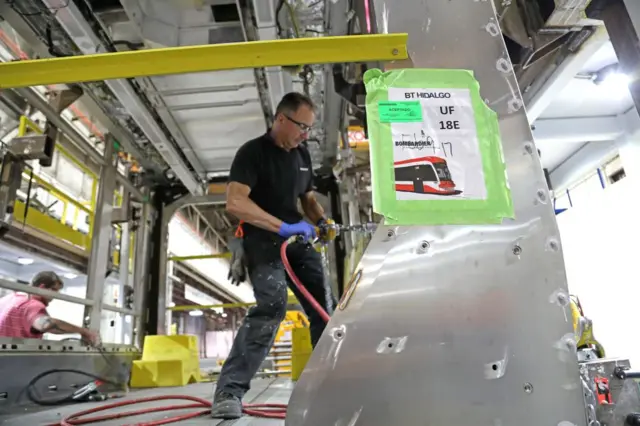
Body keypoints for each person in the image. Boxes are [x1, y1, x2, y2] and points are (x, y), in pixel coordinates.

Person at [211, 92, 337, 419]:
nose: (305, 134)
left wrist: (321, 221)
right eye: (302, 127)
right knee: (272, 306)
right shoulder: (253, 153)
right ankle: (229, 390)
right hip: (263, 240)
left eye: (309, 129)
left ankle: (332, 384)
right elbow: (235, 203)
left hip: (296, 240)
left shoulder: (302, 153)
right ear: (281, 119)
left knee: (325, 308)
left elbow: (307, 199)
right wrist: (282, 227)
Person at [0, 271, 100, 345]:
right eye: (54, 290)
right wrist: (84, 331)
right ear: (42, 288)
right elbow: (46, 324)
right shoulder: (32, 304)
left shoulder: (7, 299)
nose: (56, 295)